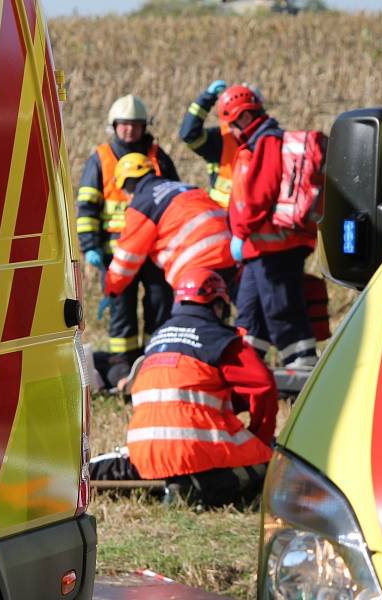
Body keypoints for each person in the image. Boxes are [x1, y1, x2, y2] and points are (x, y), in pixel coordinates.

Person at [91, 269, 279, 507]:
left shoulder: (158, 339)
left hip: (144, 452)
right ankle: (196, 488)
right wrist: (260, 437)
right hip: (193, 453)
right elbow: (263, 386)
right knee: (272, 461)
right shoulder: (221, 340)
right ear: (218, 305)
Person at [76, 94, 180, 385]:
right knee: (121, 309)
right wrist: (91, 247)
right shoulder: (101, 158)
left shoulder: (158, 157)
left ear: (144, 125)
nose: (130, 131)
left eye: (135, 125)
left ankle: (157, 354)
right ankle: (123, 365)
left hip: (155, 251)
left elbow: (173, 200)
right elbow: (86, 206)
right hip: (115, 253)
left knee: (159, 302)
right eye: (124, 125)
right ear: (114, 125)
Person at [219, 84, 317, 368]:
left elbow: (259, 196)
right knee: (250, 313)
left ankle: (302, 363)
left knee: (281, 309)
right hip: (256, 248)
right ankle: (247, 367)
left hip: (275, 247)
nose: (231, 131)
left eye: (231, 124)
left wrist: (240, 231)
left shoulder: (267, 142)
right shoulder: (254, 143)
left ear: (243, 117)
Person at [103, 153, 236, 296]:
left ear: (127, 184)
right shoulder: (186, 187)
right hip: (231, 258)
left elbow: (127, 257)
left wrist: (112, 289)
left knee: (190, 317)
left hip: (197, 267)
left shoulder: (142, 205)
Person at [179, 81, 263, 209]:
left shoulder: (268, 141)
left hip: (255, 218)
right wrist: (206, 99)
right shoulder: (220, 139)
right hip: (221, 217)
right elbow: (189, 135)